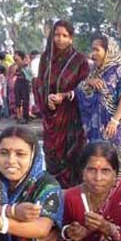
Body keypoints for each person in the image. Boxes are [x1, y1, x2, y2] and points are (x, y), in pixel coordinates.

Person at [76, 35, 121, 187]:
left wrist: (115, 120)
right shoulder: (94, 73)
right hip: (96, 129)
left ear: (108, 51)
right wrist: (89, 83)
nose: (93, 54)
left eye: (97, 50)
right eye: (92, 50)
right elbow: (81, 91)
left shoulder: (120, 71)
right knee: (98, 166)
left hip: (116, 126)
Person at [35, 20, 91, 189]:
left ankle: (73, 197)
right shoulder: (46, 58)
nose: (60, 39)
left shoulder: (79, 61)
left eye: (64, 36)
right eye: (57, 35)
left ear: (71, 38)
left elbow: (85, 88)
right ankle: (53, 195)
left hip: (72, 120)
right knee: (52, 158)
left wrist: (65, 96)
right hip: (51, 119)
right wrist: (48, 100)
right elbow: (40, 84)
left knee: (73, 158)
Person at [13, 50, 33, 124]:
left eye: (16, 55)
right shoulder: (15, 64)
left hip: (25, 82)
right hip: (18, 82)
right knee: (17, 100)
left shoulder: (25, 63)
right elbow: (13, 72)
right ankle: (19, 116)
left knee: (25, 101)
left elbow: (27, 71)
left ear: (20, 56)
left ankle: (25, 117)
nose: (15, 56)